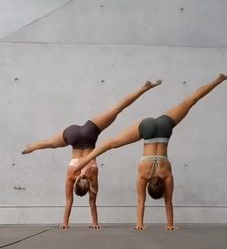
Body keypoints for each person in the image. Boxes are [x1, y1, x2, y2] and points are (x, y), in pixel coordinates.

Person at [71, 72, 227, 230]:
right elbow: (141, 200)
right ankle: (145, 88)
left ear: (162, 186)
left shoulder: (165, 174)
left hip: (164, 127)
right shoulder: (144, 176)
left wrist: (169, 225)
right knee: (110, 143)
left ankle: (218, 80)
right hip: (146, 130)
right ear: (149, 185)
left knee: (191, 100)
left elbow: (168, 202)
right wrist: (81, 164)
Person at [22, 80, 162, 229]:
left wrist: (95, 223)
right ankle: (33, 146)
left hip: (89, 137)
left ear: (87, 186)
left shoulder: (92, 175)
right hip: (73, 135)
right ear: (75, 184)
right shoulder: (71, 175)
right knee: (50, 143)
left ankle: (144, 88)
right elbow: (69, 202)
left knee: (116, 110)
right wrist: (65, 223)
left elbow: (92, 202)